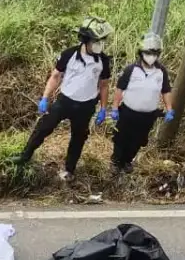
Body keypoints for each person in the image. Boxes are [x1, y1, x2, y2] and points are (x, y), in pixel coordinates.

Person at [17, 16, 113, 182]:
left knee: (78, 138)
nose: (100, 44)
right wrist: (45, 98)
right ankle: (24, 157)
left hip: (86, 106)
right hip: (65, 101)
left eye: (102, 40)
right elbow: (55, 76)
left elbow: (104, 85)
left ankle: (69, 169)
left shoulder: (103, 60)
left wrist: (103, 108)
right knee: (43, 127)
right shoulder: (69, 54)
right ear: (86, 40)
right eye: (96, 41)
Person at [109, 32, 174, 173]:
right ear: (141, 52)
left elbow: (166, 90)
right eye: (149, 53)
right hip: (128, 112)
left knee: (138, 140)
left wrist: (169, 109)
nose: (151, 56)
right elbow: (120, 89)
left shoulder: (161, 71)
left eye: (155, 53)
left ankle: (127, 161)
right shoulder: (131, 70)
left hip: (148, 115)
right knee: (121, 137)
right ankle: (116, 161)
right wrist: (114, 107)